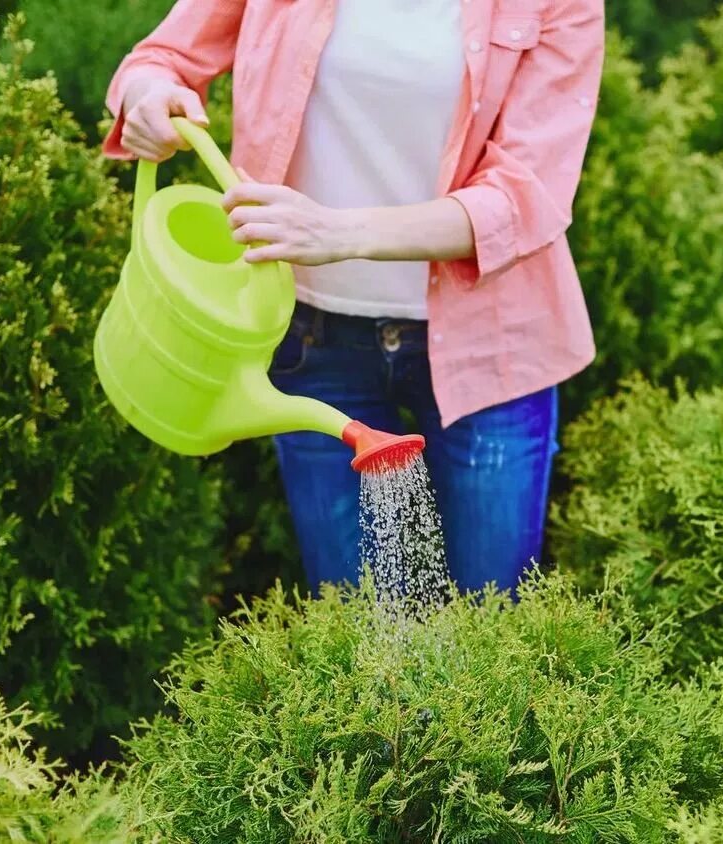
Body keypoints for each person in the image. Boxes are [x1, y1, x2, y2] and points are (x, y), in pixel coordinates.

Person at [103, 0, 603, 597]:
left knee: (491, 638)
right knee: (361, 638)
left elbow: (527, 197)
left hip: (491, 346)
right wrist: (149, 96)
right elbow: (162, 60)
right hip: (315, 344)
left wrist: (340, 233)